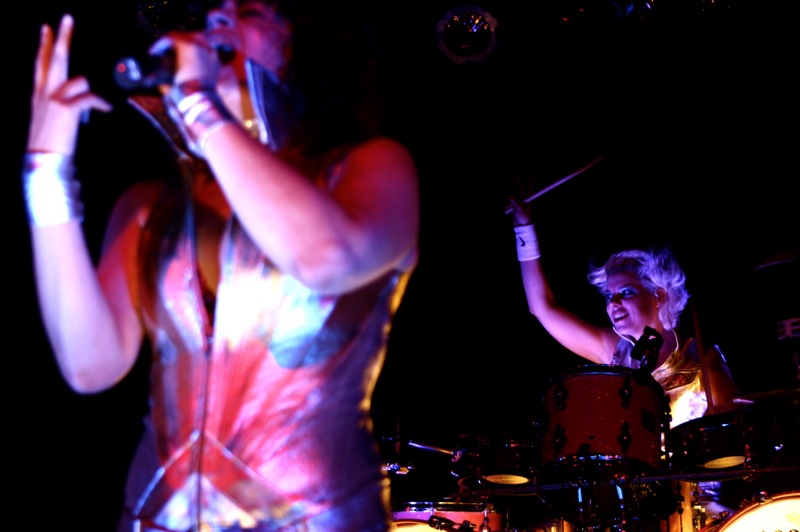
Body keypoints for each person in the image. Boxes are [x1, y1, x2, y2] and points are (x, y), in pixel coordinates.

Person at [23, 0, 419, 530]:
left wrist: (199, 103)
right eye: (212, 13)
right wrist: (45, 172)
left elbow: (326, 257)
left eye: (251, 10)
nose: (219, 20)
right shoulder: (150, 207)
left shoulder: (369, 167)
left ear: (309, 42)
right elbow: (89, 365)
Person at [506, 194, 743, 531]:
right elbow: (543, 308)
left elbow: (735, 431)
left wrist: (724, 422)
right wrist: (524, 229)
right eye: (609, 295)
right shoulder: (614, 351)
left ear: (658, 295)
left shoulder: (700, 356)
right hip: (624, 504)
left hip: (696, 508)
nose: (614, 303)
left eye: (627, 292)